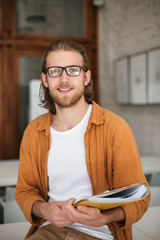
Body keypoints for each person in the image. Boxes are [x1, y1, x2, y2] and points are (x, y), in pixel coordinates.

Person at [15, 39, 150, 240]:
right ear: (45, 79)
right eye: (55, 71)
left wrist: (103, 218)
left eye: (73, 70)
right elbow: (25, 191)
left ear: (86, 77)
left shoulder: (115, 128)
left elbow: (138, 198)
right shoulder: (33, 131)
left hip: (102, 234)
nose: (64, 79)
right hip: (49, 231)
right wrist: (45, 210)